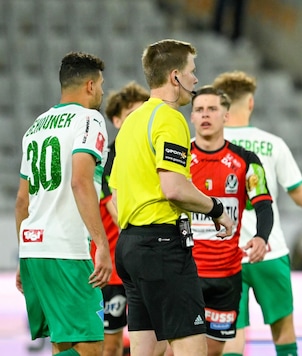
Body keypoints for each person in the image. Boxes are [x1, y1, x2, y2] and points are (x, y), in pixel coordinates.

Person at [109, 39, 234, 356]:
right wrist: (216, 208)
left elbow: (116, 192)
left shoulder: (131, 123)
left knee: (146, 351)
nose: (196, 79)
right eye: (193, 71)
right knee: (192, 349)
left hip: (130, 246)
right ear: (175, 76)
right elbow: (174, 188)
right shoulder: (170, 117)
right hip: (162, 247)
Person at [212, 70, 302, 356]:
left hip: (224, 255)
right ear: (250, 104)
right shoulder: (272, 144)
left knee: (232, 332)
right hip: (269, 252)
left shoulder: (207, 146)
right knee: (283, 330)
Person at [15, 51, 112, 356]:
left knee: (63, 343)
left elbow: (22, 200)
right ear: (89, 85)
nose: (102, 91)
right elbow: (80, 182)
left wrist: (23, 254)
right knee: (92, 347)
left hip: (34, 249)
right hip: (67, 251)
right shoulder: (89, 119)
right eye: (101, 84)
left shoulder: (36, 127)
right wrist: (102, 244)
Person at [188, 85, 274, 356]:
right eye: (199, 109)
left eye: (212, 109)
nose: (205, 115)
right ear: (191, 117)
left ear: (225, 115)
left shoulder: (246, 161)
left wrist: (262, 237)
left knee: (214, 352)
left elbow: (264, 204)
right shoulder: (178, 160)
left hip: (227, 275)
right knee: (181, 350)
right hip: (185, 274)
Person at [90, 81, 150, 356]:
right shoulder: (107, 158)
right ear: (116, 120)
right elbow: (118, 214)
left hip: (145, 267)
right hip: (112, 270)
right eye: (131, 116)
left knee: (154, 343)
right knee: (110, 345)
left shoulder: (153, 157)